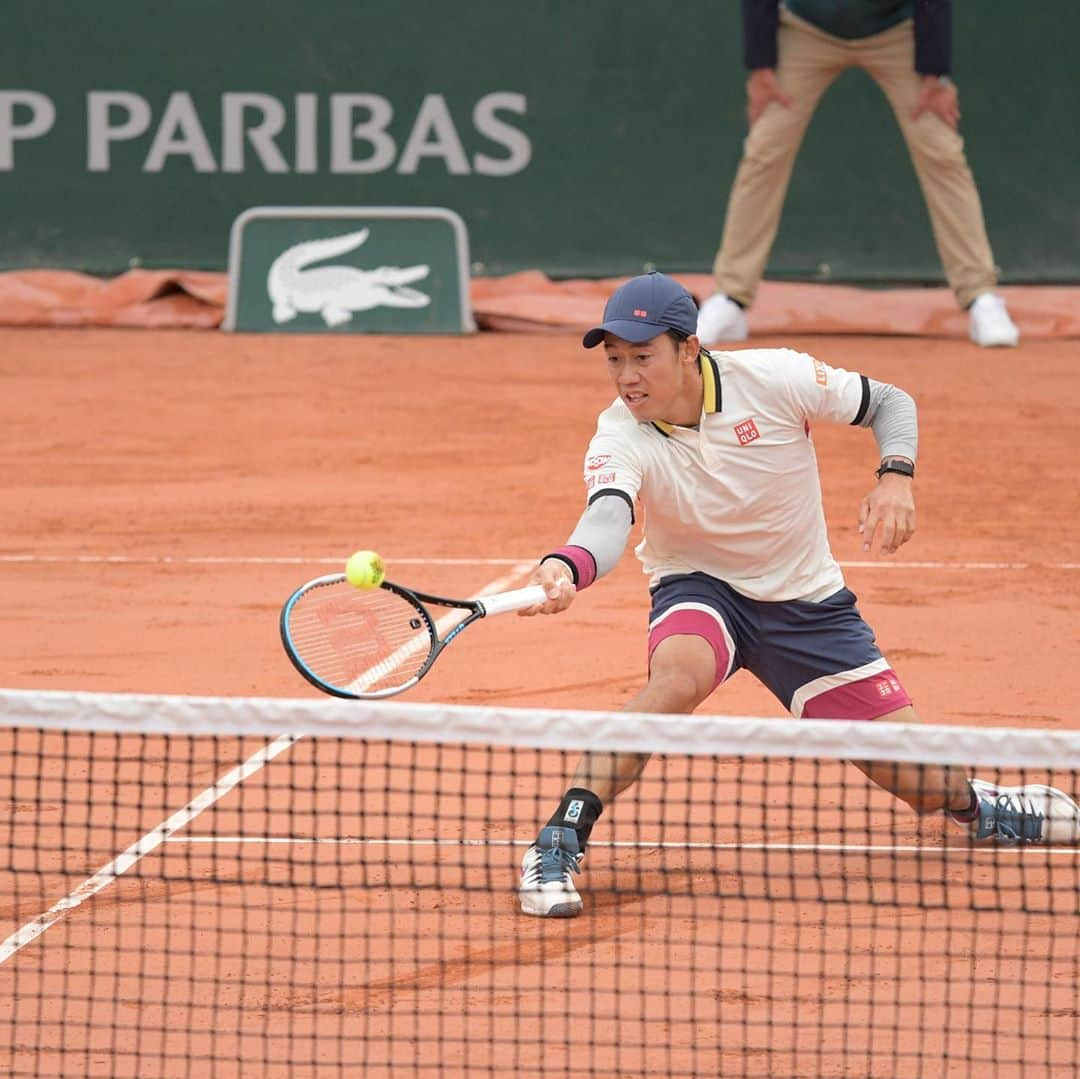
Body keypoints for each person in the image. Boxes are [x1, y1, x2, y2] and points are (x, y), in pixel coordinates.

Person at [516, 271, 1075, 918]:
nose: (626, 376)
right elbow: (607, 518)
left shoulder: (775, 376)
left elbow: (891, 402)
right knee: (675, 678)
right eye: (615, 360)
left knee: (926, 783)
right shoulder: (620, 432)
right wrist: (569, 564)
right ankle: (559, 837)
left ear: (689, 349)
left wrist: (896, 476)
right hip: (702, 589)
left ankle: (977, 807)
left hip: (807, 606)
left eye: (643, 357)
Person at [697, 0, 1019, 350]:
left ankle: (981, 295)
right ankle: (731, 297)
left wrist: (935, 76)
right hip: (806, 30)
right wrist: (760, 69)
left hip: (898, 32)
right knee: (764, 151)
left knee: (941, 150)